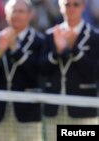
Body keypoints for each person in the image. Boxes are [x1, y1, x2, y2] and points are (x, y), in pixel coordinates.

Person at [0, 0, 44, 141]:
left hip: (28, 113)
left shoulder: (39, 41)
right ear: (6, 14)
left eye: (21, 11)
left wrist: (16, 50)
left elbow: (36, 75)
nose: (16, 15)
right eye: (13, 11)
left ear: (30, 14)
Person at [40, 0, 99, 141]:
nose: (71, 8)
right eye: (67, 4)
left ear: (83, 7)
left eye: (76, 4)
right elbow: (42, 70)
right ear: (60, 7)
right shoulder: (50, 35)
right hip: (55, 110)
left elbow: (94, 73)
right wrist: (57, 52)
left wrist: (75, 50)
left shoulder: (95, 36)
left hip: (83, 111)